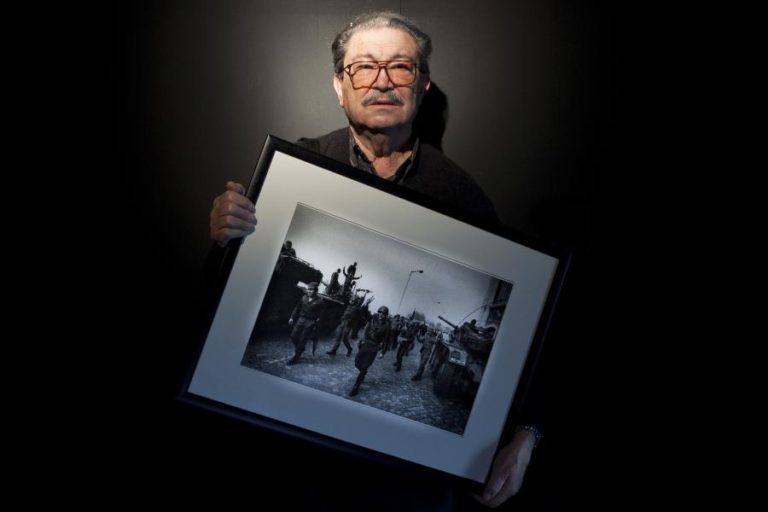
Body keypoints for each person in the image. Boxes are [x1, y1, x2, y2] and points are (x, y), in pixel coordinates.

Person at [208, 11, 541, 508]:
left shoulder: (465, 199)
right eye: (363, 66)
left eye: (400, 67)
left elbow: (525, 335)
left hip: (401, 489)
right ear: (340, 86)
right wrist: (223, 238)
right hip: (283, 467)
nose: (381, 81)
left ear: (422, 86)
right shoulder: (294, 170)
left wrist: (527, 433)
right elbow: (221, 301)